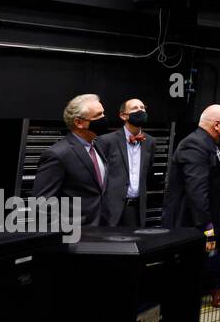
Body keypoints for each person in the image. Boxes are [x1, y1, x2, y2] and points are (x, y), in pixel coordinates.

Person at [31, 93, 123, 227]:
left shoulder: (98, 146)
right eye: (98, 115)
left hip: (102, 231)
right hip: (75, 236)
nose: (104, 118)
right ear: (79, 122)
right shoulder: (57, 154)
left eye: (103, 113)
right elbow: (42, 206)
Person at [162, 105, 220, 255]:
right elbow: (197, 191)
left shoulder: (208, 143)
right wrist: (207, 226)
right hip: (190, 228)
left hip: (201, 226)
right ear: (217, 125)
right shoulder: (195, 145)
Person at [95, 98, 152, 227]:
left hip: (137, 209)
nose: (140, 110)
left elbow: (148, 172)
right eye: (135, 108)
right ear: (123, 116)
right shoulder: (106, 141)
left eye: (142, 108)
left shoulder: (150, 142)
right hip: (110, 209)